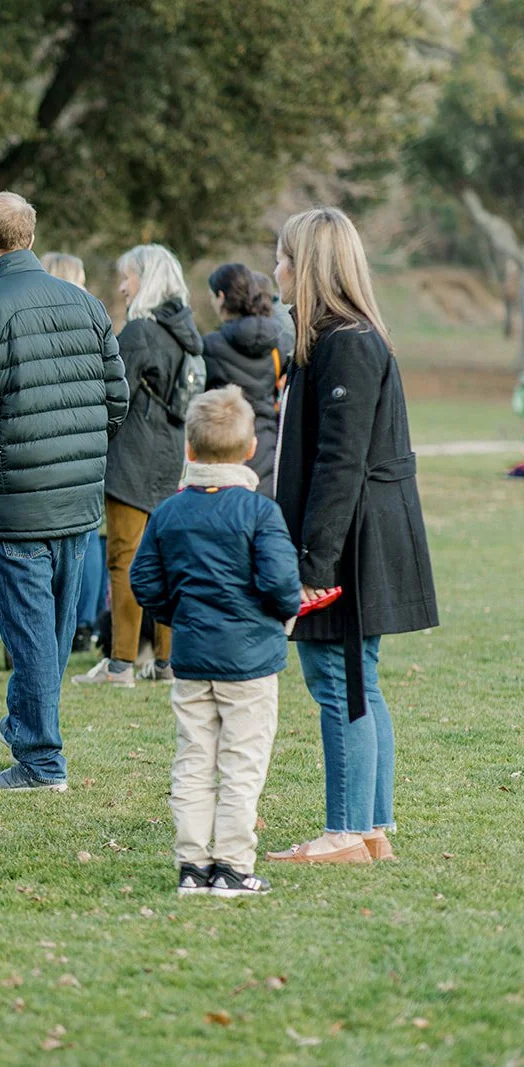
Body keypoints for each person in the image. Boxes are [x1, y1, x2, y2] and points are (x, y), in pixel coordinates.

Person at [0, 191, 128, 791]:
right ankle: (28, 733)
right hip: (72, 497)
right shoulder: (87, 305)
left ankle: (42, 760)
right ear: (31, 235)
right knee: (45, 633)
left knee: (32, 635)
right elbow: (115, 401)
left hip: (15, 500)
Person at [265, 207, 439, 866]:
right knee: (356, 680)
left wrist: (312, 562)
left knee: (339, 681)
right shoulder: (331, 342)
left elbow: (342, 462)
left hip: (351, 542)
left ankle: (346, 831)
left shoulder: (347, 343)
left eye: (283, 258)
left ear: (307, 266)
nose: (275, 270)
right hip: (350, 536)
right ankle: (370, 828)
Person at [129, 386, 301, 898]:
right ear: (250, 449)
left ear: (189, 449)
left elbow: (145, 581)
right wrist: (278, 617)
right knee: (242, 764)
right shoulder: (260, 513)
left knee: (194, 759)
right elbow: (281, 587)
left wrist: (177, 616)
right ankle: (231, 864)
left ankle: (192, 864)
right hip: (250, 663)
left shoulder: (169, 513)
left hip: (193, 658)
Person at [74, 243, 202, 688]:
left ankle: (120, 665)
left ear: (145, 279)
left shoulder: (140, 333)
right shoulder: (184, 331)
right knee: (164, 561)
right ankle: (165, 662)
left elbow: (111, 398)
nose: (122, 287)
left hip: (131, 461)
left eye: (126, 277)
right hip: (168, 458)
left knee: (124, 561)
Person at [41, 251, 107, 650]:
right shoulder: (92, 319)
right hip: (84, 445)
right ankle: (82, 622)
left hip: (42, 445)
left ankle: (52, 623)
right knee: (85, 536)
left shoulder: (35, 320)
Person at [202, 264, 286, 495]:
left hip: (226, 446)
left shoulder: (211, 346)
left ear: (221, 297)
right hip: (268, 443)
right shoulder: (279, 342)